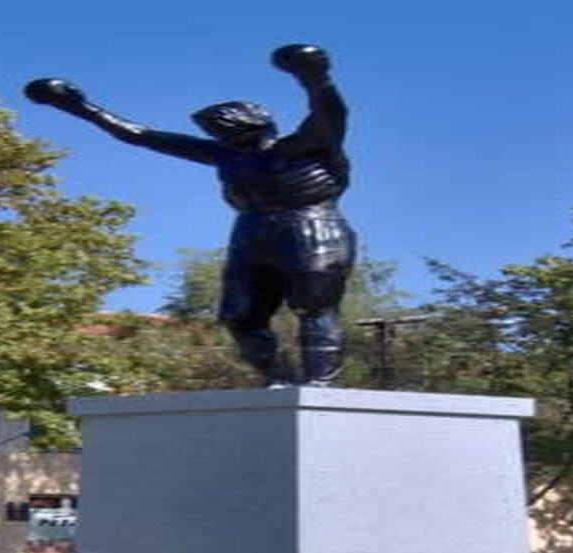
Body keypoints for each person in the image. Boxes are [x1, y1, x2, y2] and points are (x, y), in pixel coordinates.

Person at [25, 44, 355, 386]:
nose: (218, 130)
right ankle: (278, 380)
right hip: (252, 231)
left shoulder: (309, 144)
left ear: (260, 119)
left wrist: (314, 75)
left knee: (313, 304)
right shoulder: (225, 156)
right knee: (239, 316)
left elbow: (330, 112)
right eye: (215, 129)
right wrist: (76, 104)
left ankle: (319, 385)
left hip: (311, 224)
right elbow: (138, 135)